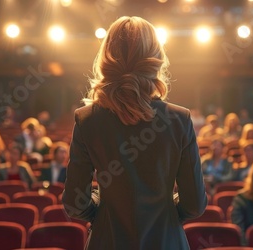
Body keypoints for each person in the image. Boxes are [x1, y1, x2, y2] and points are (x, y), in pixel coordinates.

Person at [62, 16, 207, 250]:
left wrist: (101, 210)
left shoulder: (87, 119)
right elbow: (195, 205)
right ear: (156, 57)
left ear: (107, 56)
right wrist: (166, 212)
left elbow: (74, 204)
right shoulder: (180, 119)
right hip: (166, 241)